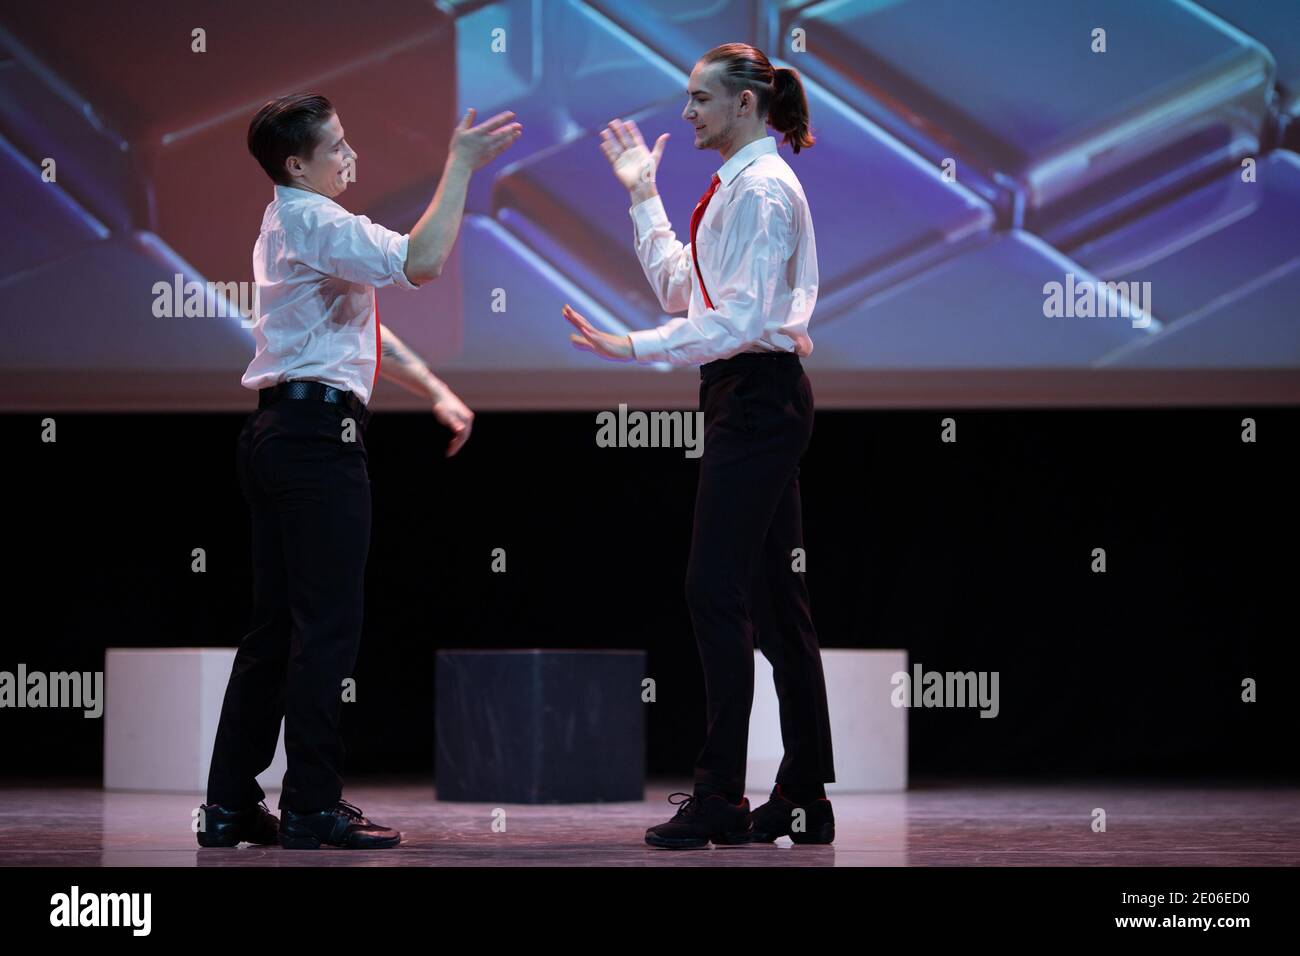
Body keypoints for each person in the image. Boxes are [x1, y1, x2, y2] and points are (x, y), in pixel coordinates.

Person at [198, 93, 520, 850]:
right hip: (315, 443)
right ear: (297, 165)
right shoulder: (313, 220)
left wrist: (436, 390)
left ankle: (229, 807)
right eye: (336, 147)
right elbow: (424, 260)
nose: (351, 157)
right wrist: (462, 165)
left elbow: (363, 322)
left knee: (276, 631)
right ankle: (311, 805)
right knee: (325, 632)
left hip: (283, 432)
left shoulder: (294, 225)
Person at [563, 43, 836, 849]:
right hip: (746, 395)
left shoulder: (762, 192)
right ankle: (804, 797)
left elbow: (743, 322)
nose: (686, 116)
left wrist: (634, 347)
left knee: (715, 589)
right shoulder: (737, 189)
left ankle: (721, 793)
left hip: (758, 394)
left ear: (746, 105)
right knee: (777, 608)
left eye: (700, 101)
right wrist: (644, 197)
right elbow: (687, 290)